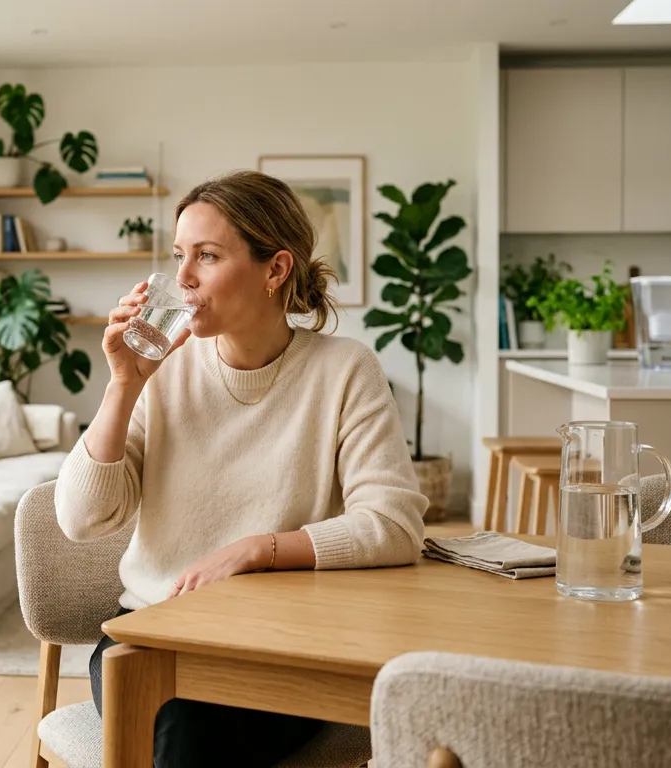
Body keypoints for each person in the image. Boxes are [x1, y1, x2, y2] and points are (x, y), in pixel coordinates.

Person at [53, 169, 429, 768]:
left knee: (187, 739)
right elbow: (80, 518)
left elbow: (395, 525)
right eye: (180, 255)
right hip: (151, 635)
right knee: (181, 729)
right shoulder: (162, 373)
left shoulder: (345, 371)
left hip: (282, 644)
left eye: (206, 255)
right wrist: (123, 384)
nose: (182, 278)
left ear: (275, 270)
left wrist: (257, 549)